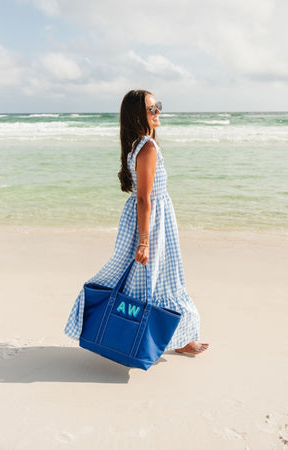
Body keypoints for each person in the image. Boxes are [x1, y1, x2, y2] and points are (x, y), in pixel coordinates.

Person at [64, 89, 209, 355]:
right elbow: (144, 198)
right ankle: (174, 338)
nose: (158, 112)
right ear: (137, 116)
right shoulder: (147, 147)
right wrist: (145, 241)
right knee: (162, 281)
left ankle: (178, 338)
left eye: (158, 107)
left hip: (150, 221)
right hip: (150, 224)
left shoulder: (139, 145)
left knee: (147, 280)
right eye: (151, 109)